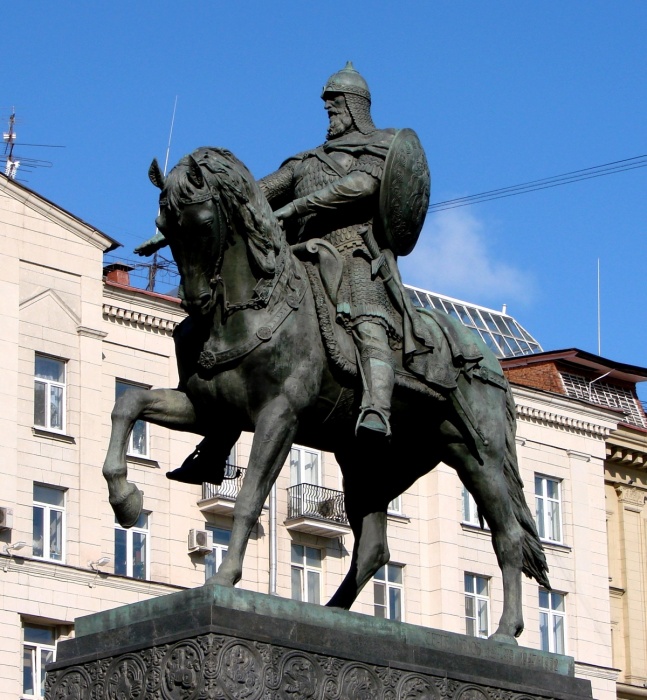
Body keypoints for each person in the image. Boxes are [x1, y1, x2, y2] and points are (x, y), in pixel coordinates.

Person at [259, 62, 416, 438]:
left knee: (368, 323)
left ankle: (377, 407)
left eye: (335, 103)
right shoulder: (306, 160)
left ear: (355, 105)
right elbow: (259, 192)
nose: (329, 110)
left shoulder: (379, 145)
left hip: (353, 253)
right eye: (326, 105)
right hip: (297, 256)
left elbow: (361, 185)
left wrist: (298, 206)